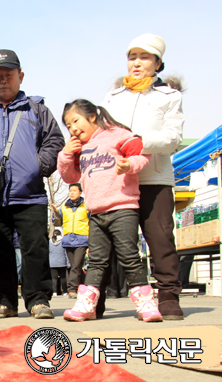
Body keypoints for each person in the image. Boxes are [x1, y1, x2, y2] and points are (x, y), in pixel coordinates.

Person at [0, 49, 64, 319]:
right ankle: (5, 301)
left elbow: (55, 142)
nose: (3, 80)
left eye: (9, 75)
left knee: (35, 248)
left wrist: (37, 167)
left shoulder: (37, 110)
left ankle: (38, 300)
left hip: (29, 195)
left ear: (20, 77)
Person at [101, 33, 185, 320]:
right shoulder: (112, 97)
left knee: (160, 238)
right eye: (132, 57)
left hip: (154, 178)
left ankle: (169, 297)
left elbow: (173, 138)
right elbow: (102, 134)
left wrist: (137, 143)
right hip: (118, 181)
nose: (136, 63)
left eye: (144, 57)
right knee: (109, 243)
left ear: (158, 62)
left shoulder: (170, 96)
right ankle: (97, 298)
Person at [58, 99, 162, 322]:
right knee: (95, 261)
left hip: (123, 207)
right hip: (96, 214)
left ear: (92, 117)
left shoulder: (117, 134)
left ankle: (146, 305)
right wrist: (65, 154)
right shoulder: (77, 147)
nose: (73, 128)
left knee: (130, 257)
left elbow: (142, 154)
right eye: (68, 125)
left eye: (76, 121)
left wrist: (129, 165)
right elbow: (69, 177)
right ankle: (87, 306)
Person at [51, 183, 89, 298]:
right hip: (68, 240)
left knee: (76, 266)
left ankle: (72, 289)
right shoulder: (64, 207)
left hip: (82, 239)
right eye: (70, 191)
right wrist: (56, 213)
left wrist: (91, 242)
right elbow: (57, 223)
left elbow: (92, 223)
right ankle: (85, 287)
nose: (71, 193)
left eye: (74, 190)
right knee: (74, 267)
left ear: (80, 192)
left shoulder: (86, 205)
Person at [49, 228, 70, 296]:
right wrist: (68, 263)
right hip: (62, 262)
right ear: (60, 234)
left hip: (52, 263)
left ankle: (54, 292)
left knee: (54, 278)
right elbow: (66, 253)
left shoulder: (50, 242)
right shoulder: (63, 241)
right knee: (63, 278)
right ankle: (65, 291)